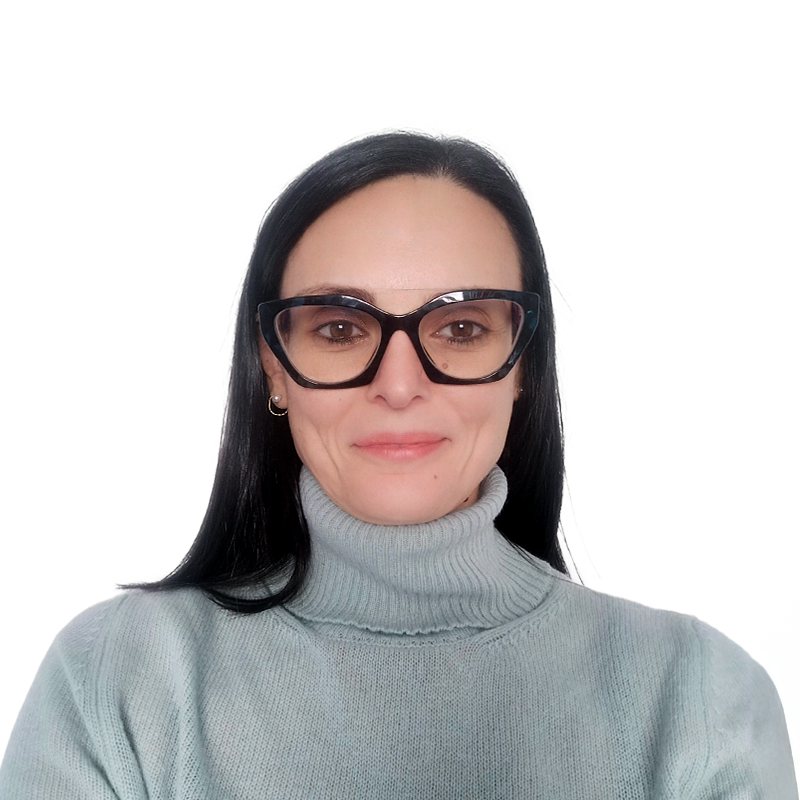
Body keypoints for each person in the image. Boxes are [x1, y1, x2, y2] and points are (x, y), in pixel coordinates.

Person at [0, 132, 796, 798]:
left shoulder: (699, 701)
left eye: (461, 329)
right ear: (273, 367)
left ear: (523, 364)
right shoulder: (117, 682)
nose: (400, 385)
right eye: (340, 329)